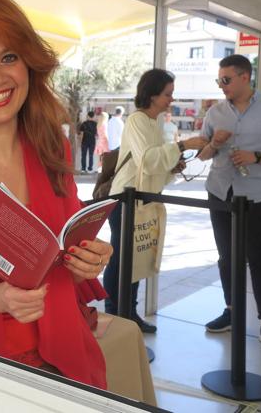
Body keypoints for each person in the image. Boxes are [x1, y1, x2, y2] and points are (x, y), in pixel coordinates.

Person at [0, 0, 112, 388]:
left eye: (9, 57)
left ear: (30, 64)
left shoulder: (52, 147)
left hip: (66, 359)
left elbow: (68, 244)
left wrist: (93, 257)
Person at [198, 54, 261, 354]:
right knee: (227, 258)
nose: (221, 85)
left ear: (244, 77)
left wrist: (258, 157)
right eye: (219, 80)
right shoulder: (215, 112)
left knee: (260, 260)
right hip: (219, 191)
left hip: (255, 195)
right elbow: (202, 154)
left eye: (225, 80)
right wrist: (214, 144)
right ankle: (231, 310)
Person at [103, 69, 207, 333]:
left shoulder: (154, 123)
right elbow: (148, 161)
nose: (171, 99)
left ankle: (129, 313)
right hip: (125, 200)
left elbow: (154, 165)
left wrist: (171, 166)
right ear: (152, 95)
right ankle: (115, 314)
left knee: (136, 257)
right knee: (122, 258)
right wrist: (182, 146)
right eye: (167, 94)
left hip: (142, 200)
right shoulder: (138, 120)